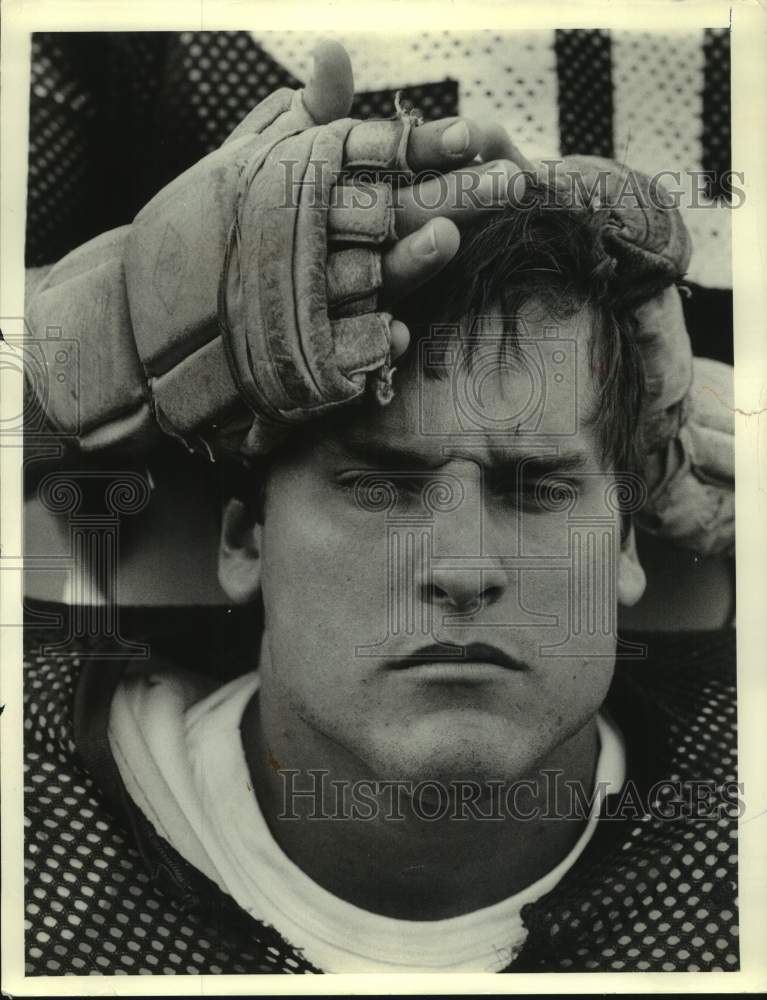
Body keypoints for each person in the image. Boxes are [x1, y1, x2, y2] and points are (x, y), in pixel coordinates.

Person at [22, 41, 737, 975]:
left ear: (626, 547)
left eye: (538, 488)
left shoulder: (731, 843)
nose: (462, 568)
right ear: (242, 540)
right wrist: (54, 373)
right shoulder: (32, 826)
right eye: (381, 486)